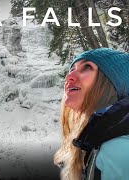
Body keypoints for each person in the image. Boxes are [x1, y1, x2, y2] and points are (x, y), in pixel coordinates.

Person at [53, 48, 129, 180]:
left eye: (87, 67)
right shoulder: (98, 139)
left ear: (114, 83)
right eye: (72, 69)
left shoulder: (118, 149)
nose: (69, 77)